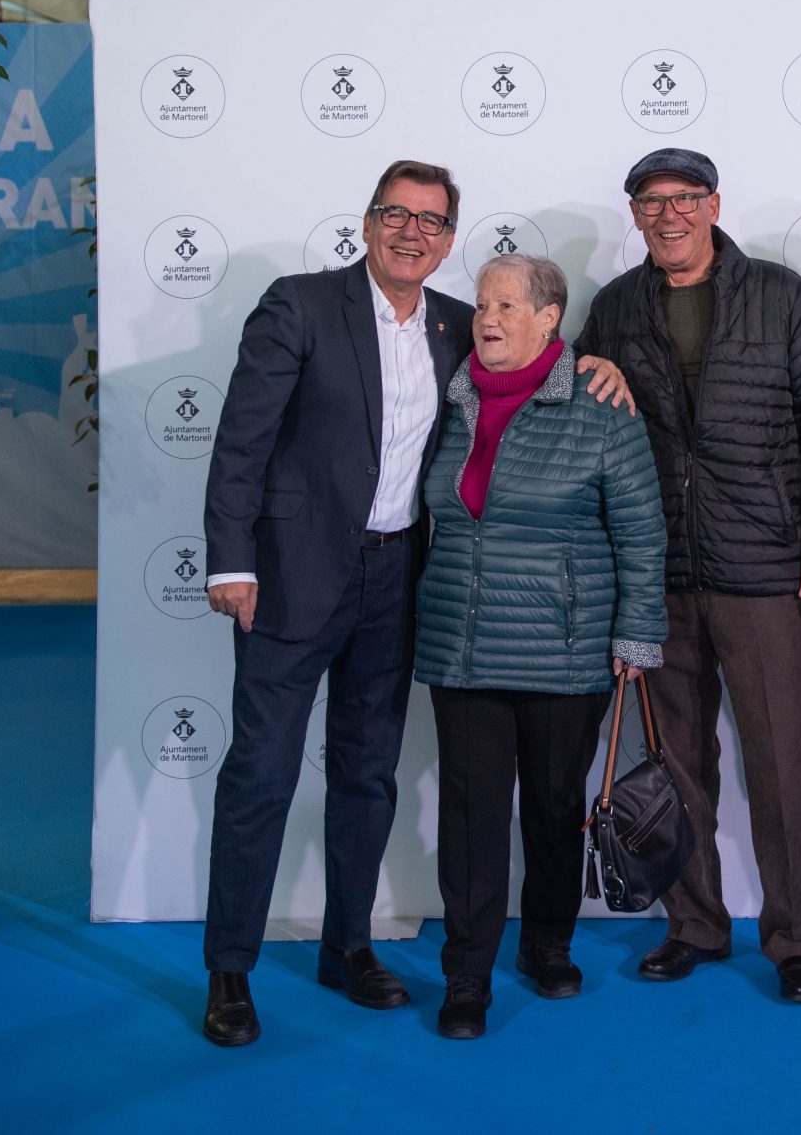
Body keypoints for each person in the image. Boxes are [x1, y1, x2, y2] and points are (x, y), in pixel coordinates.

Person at [194, 162, 628, 1048]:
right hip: (291, 576)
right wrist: (232, 561)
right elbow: (241, 440)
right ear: (367, 222)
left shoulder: (458, 324)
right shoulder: (300, 305)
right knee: (262, 773)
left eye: (431, 221)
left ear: (448, 239)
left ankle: (347, 945)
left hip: (397, 580)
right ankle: (230, 968)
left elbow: (534, 348)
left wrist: (596, 364)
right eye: (396, 213)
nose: (411, 232)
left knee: (367, 772)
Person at [571, 147, 801, 1004]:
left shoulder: (781, 296)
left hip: (762, 566)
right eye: (651, 201)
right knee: (676, 761)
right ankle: (694, 923)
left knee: (782, 762)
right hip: (657, 571)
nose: (669, 213)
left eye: (685, 197)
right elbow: (584, 425)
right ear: (634, 214)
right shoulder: (615, 308)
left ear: (714, 205)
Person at [414, 254, 667, 1040]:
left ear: (550, 317)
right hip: (462, 646)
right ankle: (467, 973)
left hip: (566, 651)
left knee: (555, 809)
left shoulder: (600, 401)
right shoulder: (448, 394)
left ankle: (548, 944)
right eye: (482, 304)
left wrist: (638, 632)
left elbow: (641, 528)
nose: (486, 319)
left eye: (506, 306)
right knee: (470, 816)